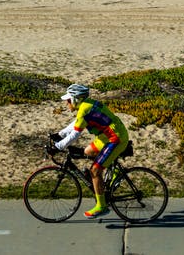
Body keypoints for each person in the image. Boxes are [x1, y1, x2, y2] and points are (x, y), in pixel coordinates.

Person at [50, 83, 129, 218]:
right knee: (88, 152)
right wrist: (60, 134)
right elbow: (77, 122)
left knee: (95, 171)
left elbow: (75, 134)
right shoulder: (87, 105)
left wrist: (57, 147)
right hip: (107, 136)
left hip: (115, 139)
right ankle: (112, 170)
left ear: (76, 99)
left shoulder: (84, 109)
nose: (67, 103)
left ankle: (102, 206)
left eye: (68, 100)